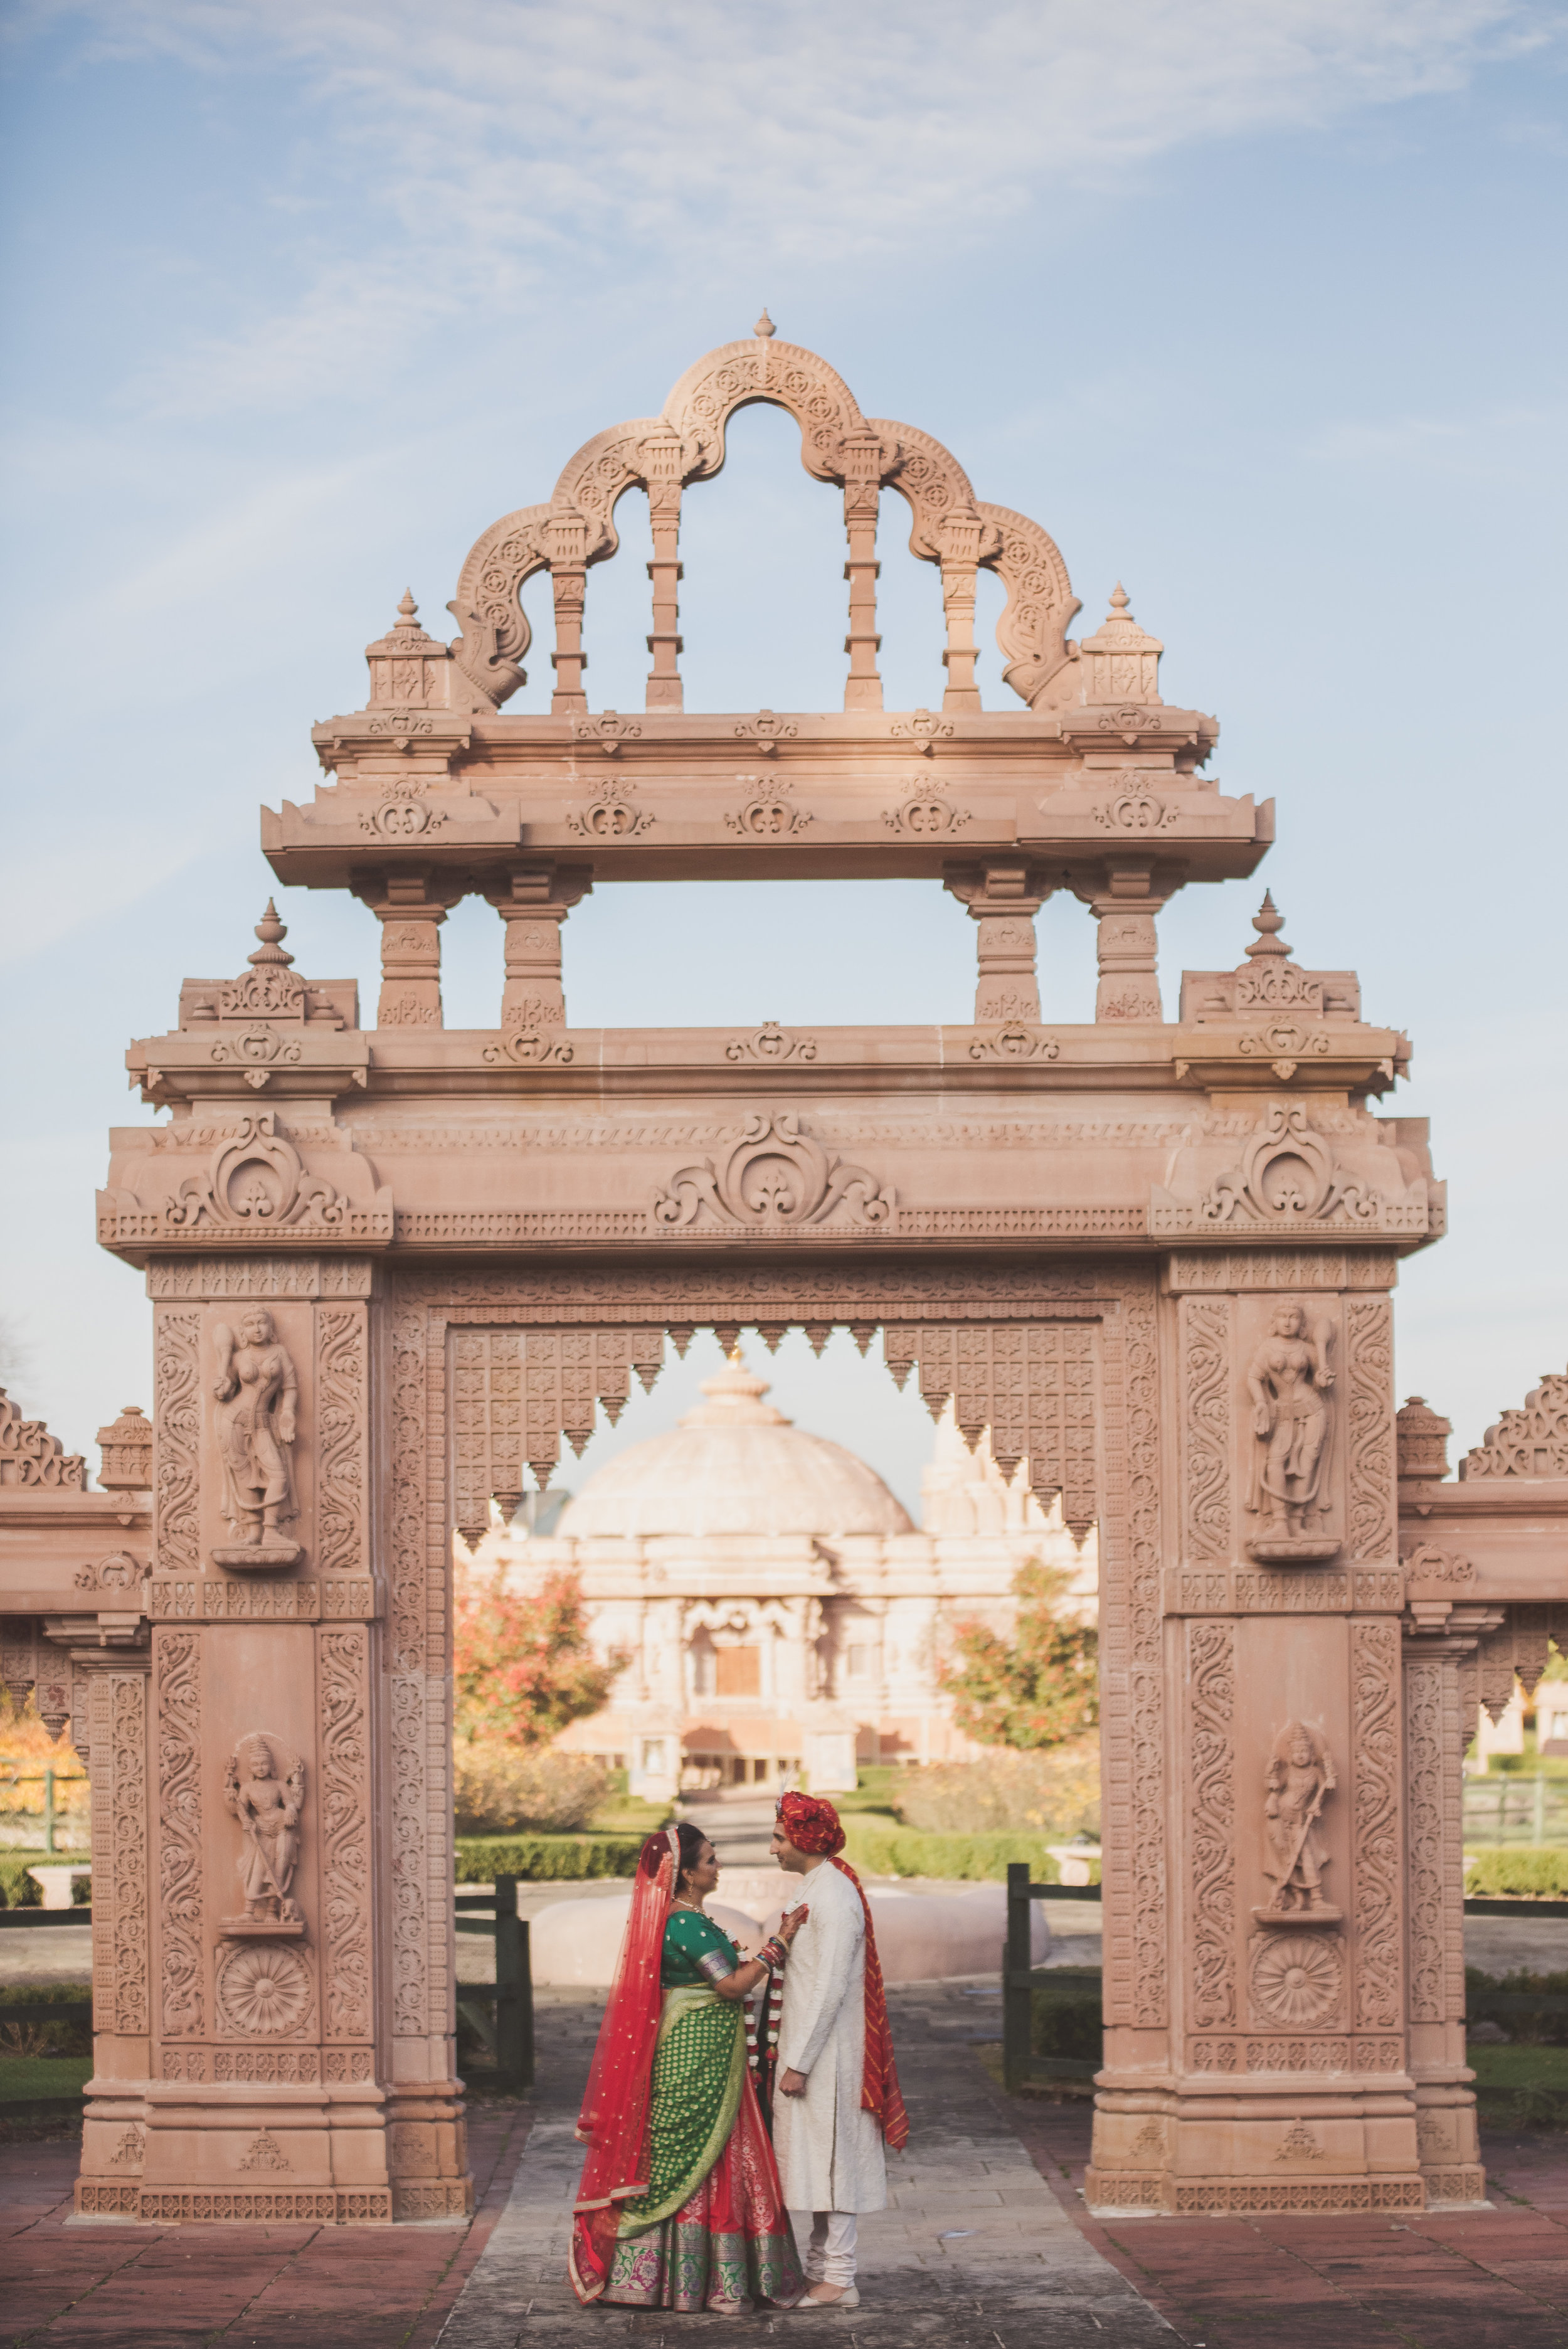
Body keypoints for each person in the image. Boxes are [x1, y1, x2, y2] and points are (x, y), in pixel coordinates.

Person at [569, 1823, 808, 2315]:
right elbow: (731, 1986)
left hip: (700, 2046)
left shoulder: (682, 1918)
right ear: (687, 1874)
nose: (718, 1866)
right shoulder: (686, 1924)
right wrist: (778, 1943)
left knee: (709, 2146)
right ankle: (702, 2280)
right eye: (711, 1860)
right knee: (698, 2145)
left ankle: (669, 2278)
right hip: (696, 2051)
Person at [769, 1790, 909, 2311]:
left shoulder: (834, 1896)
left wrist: (799, 2063)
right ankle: (819, 2272)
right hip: (810, 2049)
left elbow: (829, 1987)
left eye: (779, 1838)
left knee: (835, 2164)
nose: (772, 1849)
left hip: (825, 2054)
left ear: (805, 1839)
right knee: (814, 2163)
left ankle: (841, 2277)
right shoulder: (819, 1886)